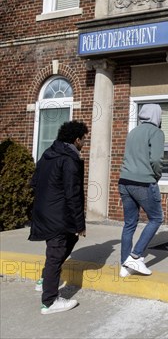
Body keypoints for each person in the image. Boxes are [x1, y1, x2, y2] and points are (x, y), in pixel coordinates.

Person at [29, 120, 89, 315]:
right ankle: (49, 301)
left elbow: (34, 181)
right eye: (83, 140)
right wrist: (80, 223)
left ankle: (45, 279)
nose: (84, 144)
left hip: (44, 211)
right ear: (76, 139)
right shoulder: (70, 159)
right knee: (55, 253)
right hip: (57, 215)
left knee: (69, 240)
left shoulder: (48, 153)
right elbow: (73, 193)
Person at [118, 103, 165, 278]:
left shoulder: (133, 132)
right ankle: (135, 256)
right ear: (156, 115)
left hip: (124, 181)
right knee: (156, 218)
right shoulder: (156, 132)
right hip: (144, 183)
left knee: (129, 223)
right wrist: (157, 176)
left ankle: (125, 265)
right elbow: (157, 160)